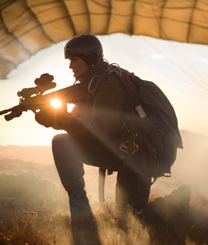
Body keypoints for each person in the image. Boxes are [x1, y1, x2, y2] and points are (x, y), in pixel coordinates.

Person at [34, 34, 153, 244]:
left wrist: (58, 119)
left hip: (134, 155)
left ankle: (162, 222)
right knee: (62, 142)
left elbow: (97, 131)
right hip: (118, 150)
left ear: (90, 59)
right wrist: (52, 116)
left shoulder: (109, 85)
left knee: (133, 221)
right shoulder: (92, 84)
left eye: (74, 60)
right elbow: (79, 125)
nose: (70, 66)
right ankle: (82, 217)